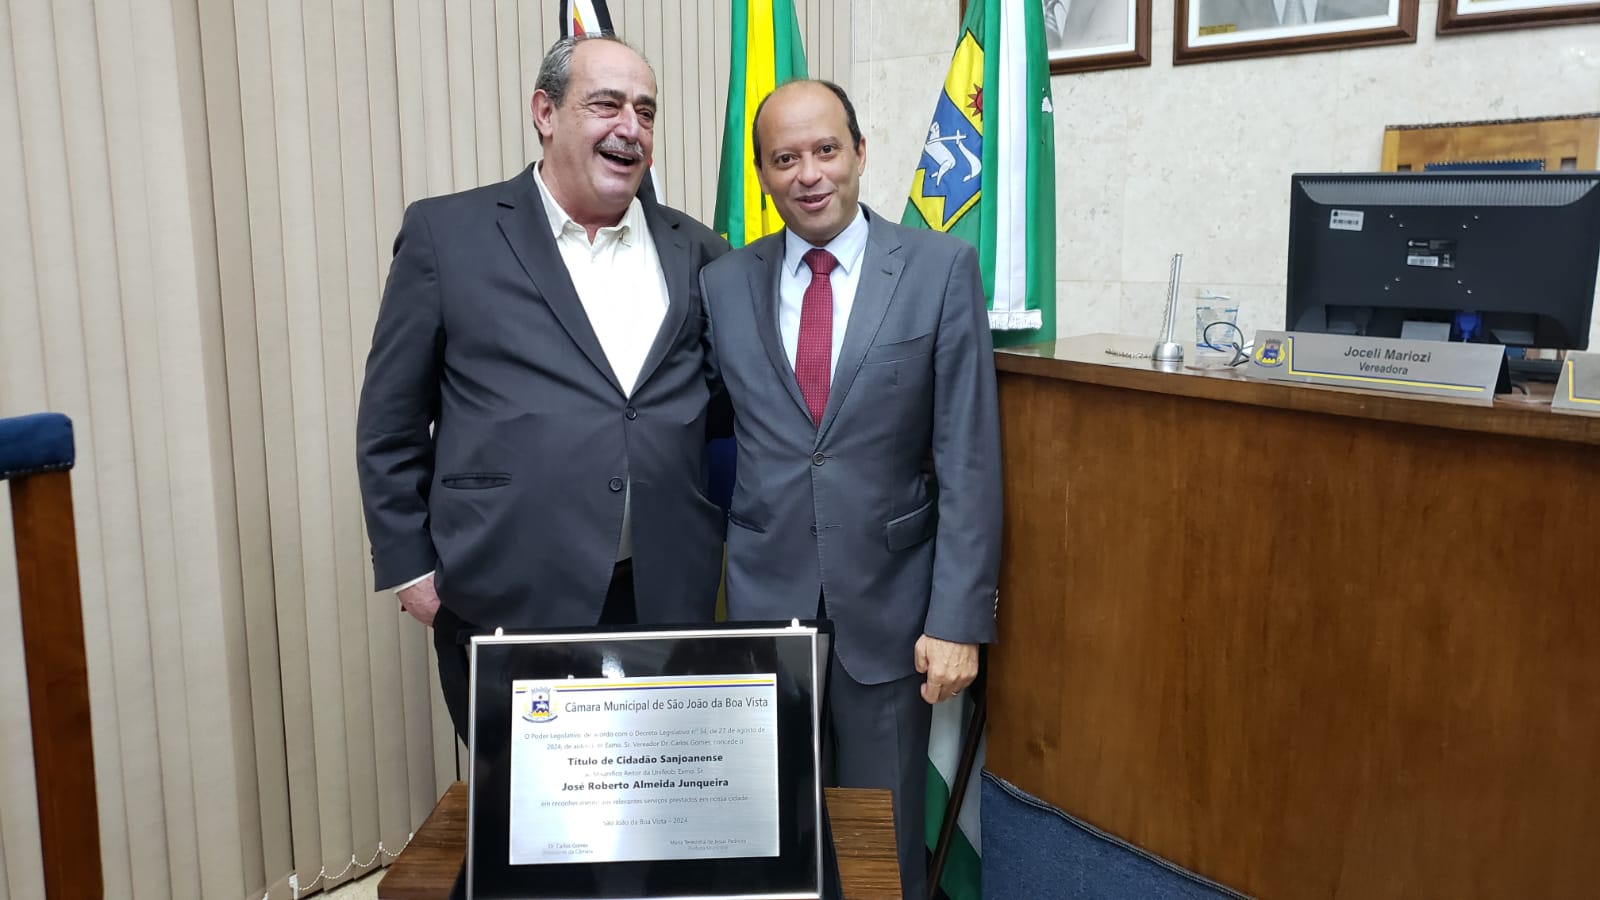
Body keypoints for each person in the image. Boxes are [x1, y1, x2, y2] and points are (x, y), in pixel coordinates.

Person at [355, 34, 729, 744]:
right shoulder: (447, 235)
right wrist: (410, 569)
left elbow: (723, 410)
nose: (630, 128)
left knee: (651, 794)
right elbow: (389, 421)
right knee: (521, 805)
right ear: (545, 112)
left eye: (646, 112)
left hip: (661, 595)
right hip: (506, 592)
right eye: (607, 105)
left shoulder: (700, 251)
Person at [698, 79, 1002, 899]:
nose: (809, 174)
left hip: (893, 610)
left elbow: (969, 455)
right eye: (785, 158)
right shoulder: (724, 284)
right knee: (770, 834)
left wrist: (958, 621)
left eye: (826, 150)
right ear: (762, 174)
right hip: (765, 605)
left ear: (861, 153)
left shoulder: (938, 268)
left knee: (880, 845)